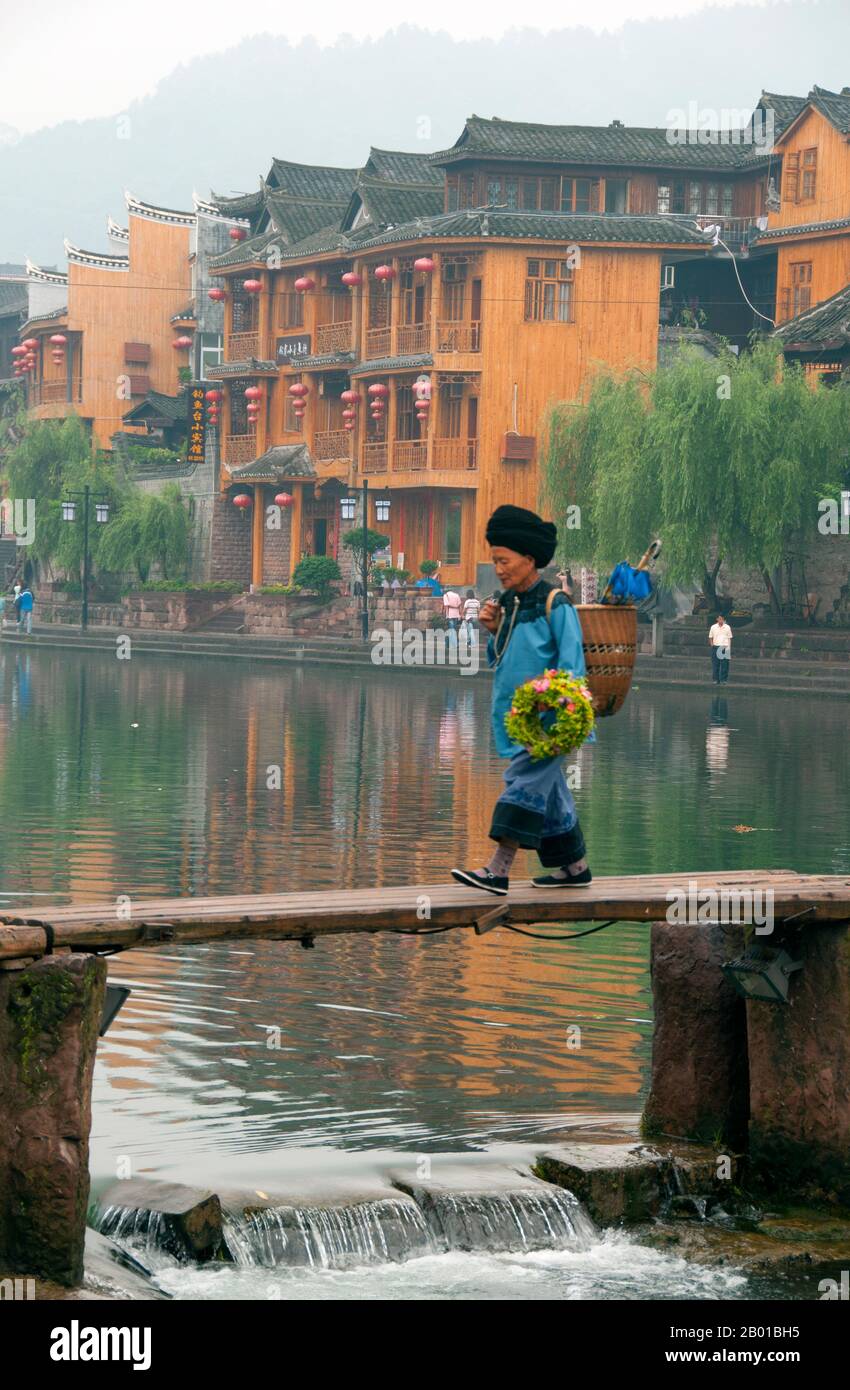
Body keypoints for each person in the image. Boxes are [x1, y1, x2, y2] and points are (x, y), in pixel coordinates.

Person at [451, 504, 592, 896]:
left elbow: (572, 663)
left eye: (504, 560)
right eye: (494, 561)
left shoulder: (555, 604)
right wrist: (494, 630)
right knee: (550, 789)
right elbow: (502, 656)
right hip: (517, 717)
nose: (498, 569)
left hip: (549, 722)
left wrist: (561, 707)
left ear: (529, 560)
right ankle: (574, 865)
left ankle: (498, 870)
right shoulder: (509, 604)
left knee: (522, 781)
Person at [708, 612, 732, 684]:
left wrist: (728, 648)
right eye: (719, 619)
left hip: (724, 646)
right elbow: (710, 637)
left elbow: (729, 638)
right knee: (715, 664)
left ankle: (723, 680)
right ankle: (716, 679)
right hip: (716, 646)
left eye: (722, 619)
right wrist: (712, 645)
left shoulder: (727, 627)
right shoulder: (713, 627)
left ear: (723, 620)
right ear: (717, 619)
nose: (720, 620)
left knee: (725, 665)